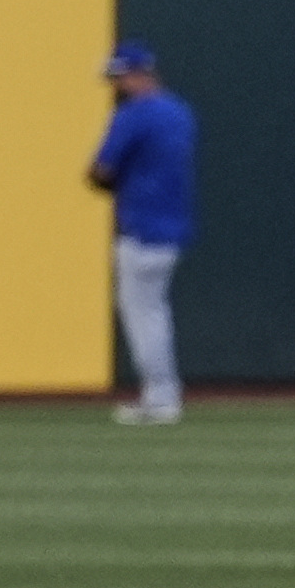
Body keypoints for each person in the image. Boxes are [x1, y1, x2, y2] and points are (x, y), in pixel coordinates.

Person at [94, 39, 197, 426]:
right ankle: (163, 393)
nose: (117, 86)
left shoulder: (134, 115)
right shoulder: (180, 112)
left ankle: (161, 397)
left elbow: (100, 170)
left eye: (120, 77)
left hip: (141, 226)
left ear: (138, 74)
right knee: (155, 312)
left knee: (143, 316)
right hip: (174, 226)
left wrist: (110, 182)